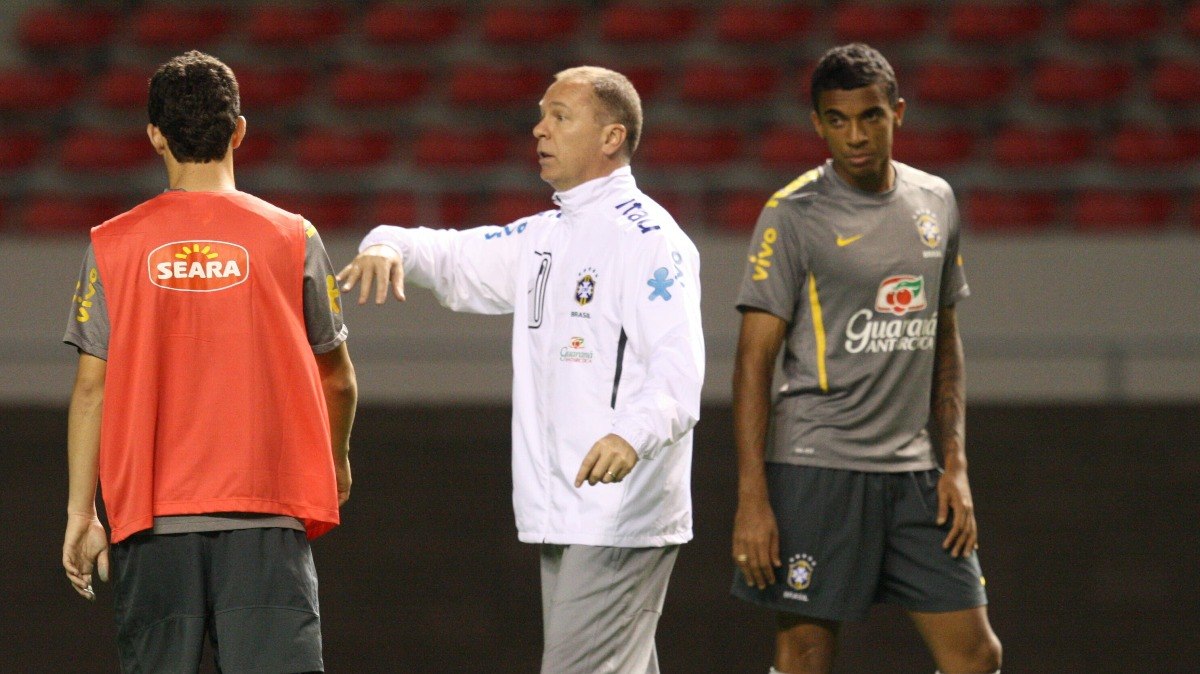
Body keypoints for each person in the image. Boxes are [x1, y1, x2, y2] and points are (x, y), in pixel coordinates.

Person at [337, 66, 704, 673]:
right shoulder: (547, 235)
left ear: (611, 137)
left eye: (560, 116)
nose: (539, 129)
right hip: (565, 508)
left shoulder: (651, 241)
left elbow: (679, 374)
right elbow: (452, 257)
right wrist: (386, 243)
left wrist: (628, 436)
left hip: (617, 513)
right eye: (542, 114)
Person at [62, 51, 357, 673]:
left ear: (154, 136)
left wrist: (82, 514)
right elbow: (339, 378)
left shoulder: (110, 244)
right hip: (267, 517)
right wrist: (337, 462)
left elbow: (93, 390)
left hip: (150, 522)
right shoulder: (293, 236)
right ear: (239, 130)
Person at [729, 44, 1002, 674]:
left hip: (915, 476)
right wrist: (753, 496)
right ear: (818, 124)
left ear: (897, 114)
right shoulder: (791, 214)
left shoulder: (936, 201)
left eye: (871, 117)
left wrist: (954, 462)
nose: (856, 135)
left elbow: (943, 335)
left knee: (976, 655)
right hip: (816, 468)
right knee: (805, 655)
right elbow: (752, 362)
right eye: (839, 120)